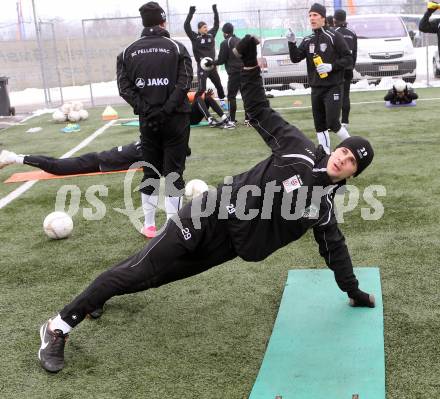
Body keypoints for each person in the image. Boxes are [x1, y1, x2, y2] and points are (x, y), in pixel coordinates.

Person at [37, 34, 375, 374]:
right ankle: (58, 326)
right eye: (343, 152)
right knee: (139, 269)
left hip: (226, 247)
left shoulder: (322, 208)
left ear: (353, 173)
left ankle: (101, 296)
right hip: (208, 213)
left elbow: (334, 249)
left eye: (350, 162)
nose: (342, 160)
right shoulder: (296, 148)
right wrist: (248, 67)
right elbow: (258, 110)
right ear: (335, 150)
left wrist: (354, 290)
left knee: (154, 277)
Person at [117, 2, 193, 239]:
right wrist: (166, 110)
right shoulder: (177, 47)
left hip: (147, 122)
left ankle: (149, 225)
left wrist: (147, 110)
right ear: (163, 21)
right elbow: (185, 82)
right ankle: (171, 229)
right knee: (173, 173)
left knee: (149, 171)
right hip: (175, 120)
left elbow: (124, 88)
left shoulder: (127, 51)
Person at [287, 3, 352, 154]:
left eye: (315, 15)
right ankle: (325, 155)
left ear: (323, 18)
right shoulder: (308, 39)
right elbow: (296, 58)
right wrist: (291, 43)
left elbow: (348, 59)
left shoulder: (334, 36)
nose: (312, 18)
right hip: (316, 88)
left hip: (333, 86)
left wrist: (331, 66)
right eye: (310, 15)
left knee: (333, 122)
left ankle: (352, 145)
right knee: (320, 125)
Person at [0, 143, 143, 175]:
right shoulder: (146, 151)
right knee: (56, 167)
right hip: (94, 162)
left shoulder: (144, 144)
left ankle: (13, 156)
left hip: (95, 159)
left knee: (55, 163)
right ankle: (13, 157)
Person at [184, 4, 227, 110]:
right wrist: (190, 13)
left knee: (219, 85)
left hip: (212, 66)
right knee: (201, 89)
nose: (206, 28)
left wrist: (215, 10)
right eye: (204, 27)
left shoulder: (211, 35)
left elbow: (216, 24)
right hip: (202, 67)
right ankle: (195, 106)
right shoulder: (195, 37)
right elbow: (186, 26)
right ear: (199, 29)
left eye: (206, 27)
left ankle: (222, 102)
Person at [204, 22, 243, 127]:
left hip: (234, 73)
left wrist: (211, 62)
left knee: (231, 96)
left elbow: (221, 60)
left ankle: (231, 120)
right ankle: (249, 119)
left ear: (225, 33)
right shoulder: (239, 40)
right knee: (245, 95)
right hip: (244, 72)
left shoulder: (225, 42)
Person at [333, 9, 357, 128]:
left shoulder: (334, 32)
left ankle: (334, 122)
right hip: (348, 69)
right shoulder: (352, 33)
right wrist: (351, 66)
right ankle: (345, 122)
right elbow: (355, 53)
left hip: (337, 69)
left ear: (335, 19)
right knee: (346, 95)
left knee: (335, 95)